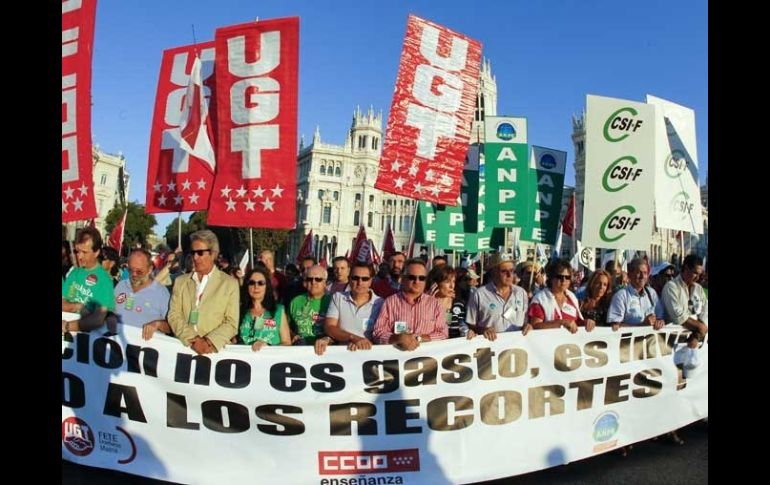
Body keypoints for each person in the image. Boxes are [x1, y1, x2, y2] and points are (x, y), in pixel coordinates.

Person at [166, 230, 239, 354]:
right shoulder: (180, 282)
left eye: (200, 253)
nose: (195, 257)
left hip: (214, 352)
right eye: (193, 253)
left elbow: (231, 323)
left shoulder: (229, 284)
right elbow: (174, 315)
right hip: (185, 349)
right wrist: (194, 340)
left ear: (213, 254)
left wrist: (208, 341)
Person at [372, 258, 448, 350]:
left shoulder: (435, 304)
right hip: (397, 360)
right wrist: (397, 338)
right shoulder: (390, 302)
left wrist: (418, 338)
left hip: (426, 360)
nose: (417, 281)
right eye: (412, 277)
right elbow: (378, 333)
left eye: (421, 278)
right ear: (403, 279)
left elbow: (443, 334)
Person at [320, 261, 383, 354]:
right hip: (342, 355)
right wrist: (353, 338)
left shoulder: (381, 303)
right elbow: (329, 327)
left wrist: (362, 344)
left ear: (371, 281)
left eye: (365, 279)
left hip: (369, 356)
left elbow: (381, 335)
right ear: (349, 279)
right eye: (355, 278)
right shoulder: (338, 297)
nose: (359, 282)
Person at [62, 227, 116, 334]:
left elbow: (97, 319)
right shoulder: (75, 273)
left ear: (96, 253)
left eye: (85, 252)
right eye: (78, 251)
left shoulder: (105, 281)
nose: (80, 256)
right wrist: (78, 307)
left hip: (85, 342)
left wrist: (68, 326)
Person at [466, 253, 531, 340]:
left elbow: (525, 321)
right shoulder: (479, 294)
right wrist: (484, 330)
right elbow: (471, 324)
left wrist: (528, 326)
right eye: (504, 271)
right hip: (491, 348)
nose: (509, 275)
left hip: (516, 347)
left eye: (512, 271)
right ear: (494, 273)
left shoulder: (521, 293)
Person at [110, 249, 171, 339]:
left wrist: (157, 324)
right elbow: (111, 310)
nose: (134, 274)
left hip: (144, 348)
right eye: (130, 270)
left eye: (139, 272)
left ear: (150, 269)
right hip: (118, 345)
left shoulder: (161, 292)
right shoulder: (121, 285)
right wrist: (110, 317)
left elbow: (173, 327)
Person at [529, 259, 595, 333]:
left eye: (567, 277)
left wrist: (586, 322)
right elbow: (535, 326)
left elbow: (577, 322)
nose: (564, 280)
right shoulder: (540, 299)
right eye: (559, 276)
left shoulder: (572, 298)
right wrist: (560, 323)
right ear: (551, 278)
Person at [661, 254, 708, 348]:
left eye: (700, 274)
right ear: (686, 269)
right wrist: (700, 327)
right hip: (673, 341)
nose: (698, 277)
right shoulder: (671, 287)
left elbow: (705, 311)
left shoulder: (698, 288)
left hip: (697, 338)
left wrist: (696, 336)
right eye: (695, 273)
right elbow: (678, 316)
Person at [239, 267, 291, 351]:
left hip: (270, 361)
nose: (256, 286)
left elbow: (287, 343)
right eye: (252, 283)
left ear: (267, 286)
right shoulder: (240, 311)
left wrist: (268, 348)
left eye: (261, 283)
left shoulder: (278, 311)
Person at [607, 258, 665, 331]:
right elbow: (615, 327)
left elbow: (660, 316)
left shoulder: (651, 293)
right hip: (628, 341)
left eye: (645, 273)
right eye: (638, 272)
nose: (642, 276)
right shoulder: (621, 296)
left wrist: (659, 322)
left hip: (652, 337)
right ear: (630, 275)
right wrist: (642, 325)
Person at [288, 264, 331, 346]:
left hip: (324, 352)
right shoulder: (295, 301)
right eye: (309, 279)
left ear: (325, 283)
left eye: (318, 279)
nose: (313, 282)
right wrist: (293, 335)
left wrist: (327, 339)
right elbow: (286, 326)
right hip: (300, 351)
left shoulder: (332, 302)